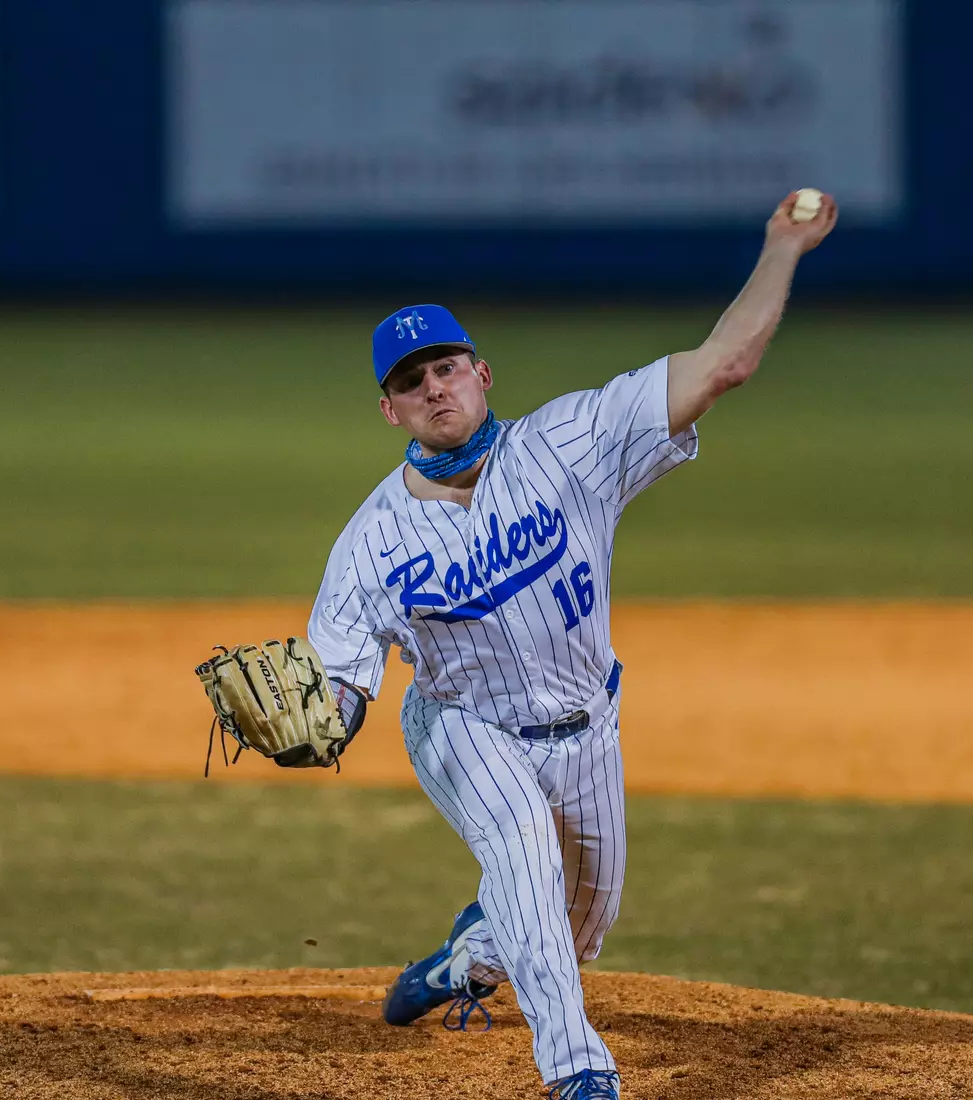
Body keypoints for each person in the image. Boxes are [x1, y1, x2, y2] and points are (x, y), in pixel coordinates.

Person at [306, 192, 837, 1100]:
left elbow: (724, 364)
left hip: (589, 722)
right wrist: (324, 717)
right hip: (466, 728)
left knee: (578, 924)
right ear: (389, 410)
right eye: (410, 381)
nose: (433, 387)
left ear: (481, 373)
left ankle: (468, 960)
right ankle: (580, 1074)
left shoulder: (574, 443)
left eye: (445, 368)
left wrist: (782, 248)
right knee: (521, 852)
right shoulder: (370, 542)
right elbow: (337, 682)